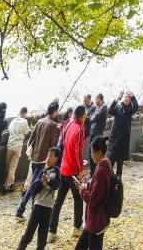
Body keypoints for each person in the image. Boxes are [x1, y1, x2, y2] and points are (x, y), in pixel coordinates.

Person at [48, 104, 86, 243]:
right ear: (82, 116)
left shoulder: (69, 126)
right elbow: (78, 152)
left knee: (59, 201)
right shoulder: (80, 129)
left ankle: (51, 231)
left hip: (63, 169)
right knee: (78, 198)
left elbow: (63, 142)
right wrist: (81, 169)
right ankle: (76, 227)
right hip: (72, 171)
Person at [16, 102, 60, 221]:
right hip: (43, 159)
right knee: (33, 185)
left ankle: (32, 209)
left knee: (34, 183)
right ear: (55, 111)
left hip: (34, 157)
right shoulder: (53, 125)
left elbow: (31, 138)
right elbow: (53, 145)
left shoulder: (40, 121)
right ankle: (20, 209)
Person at [15, 146, 61, 250]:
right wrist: (42, 182)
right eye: (48, 156)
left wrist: (47, 182)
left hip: (48, 208)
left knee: (42, 238)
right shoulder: (42, 172)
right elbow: (33, 188)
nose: (48, 158)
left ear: (56, 158)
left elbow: (55, 185)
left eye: (51, 156)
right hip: (38, 206)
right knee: (28, 235)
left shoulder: (57, 171)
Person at [73, 135, 112, 249]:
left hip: (96, 219)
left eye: (92, 152)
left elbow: (93, 199)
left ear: (99, 152)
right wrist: (85, 186)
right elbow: (96, 187)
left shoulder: (101, 170)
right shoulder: (105, 164)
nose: (91, 155)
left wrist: (82, 191)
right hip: (95, 219)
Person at [106, 90, 138, 178]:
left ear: (130, 100)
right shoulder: (118, 107)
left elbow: (136, 106)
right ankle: (109, 180)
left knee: (120, 164)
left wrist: (133, 96)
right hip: (114, 138)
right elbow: (110, 110)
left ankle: (118, 181)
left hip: (123, 140)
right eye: (125, 97)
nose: (126, 99)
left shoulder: (130, 110)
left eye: (128, 98)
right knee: (110, 162)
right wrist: (117, 99)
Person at [6, 107, 31, 193]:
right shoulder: (24, 121)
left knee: (8, 166)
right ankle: (8, 185)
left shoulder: (13, 121)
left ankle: (12, 184)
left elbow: (9, 130)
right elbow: (27, 132)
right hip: (18, 145)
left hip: (9, 145)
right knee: (12, 167)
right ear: (25, 113)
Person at [88, 95, 107, 176]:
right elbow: (91, 117)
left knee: (95, 153)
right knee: (91, 153)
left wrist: (91, 118)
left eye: (96, 98)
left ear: (99, 99)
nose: (95, 100)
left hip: (97, 134)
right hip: (93, 133)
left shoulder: (104, 107)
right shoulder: (97, 107)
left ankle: (95, 172)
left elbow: (94, 118)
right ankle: (93, 172)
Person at [82, 96, 96, 166]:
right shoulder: (84, 106)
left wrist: (84, 117)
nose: (84, 102)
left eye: (86, 101)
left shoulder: (93, 107)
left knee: (89, 152)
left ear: (89, 99)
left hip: (88, 132)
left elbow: (91, 119)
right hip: (82, 131)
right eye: (84, 101)